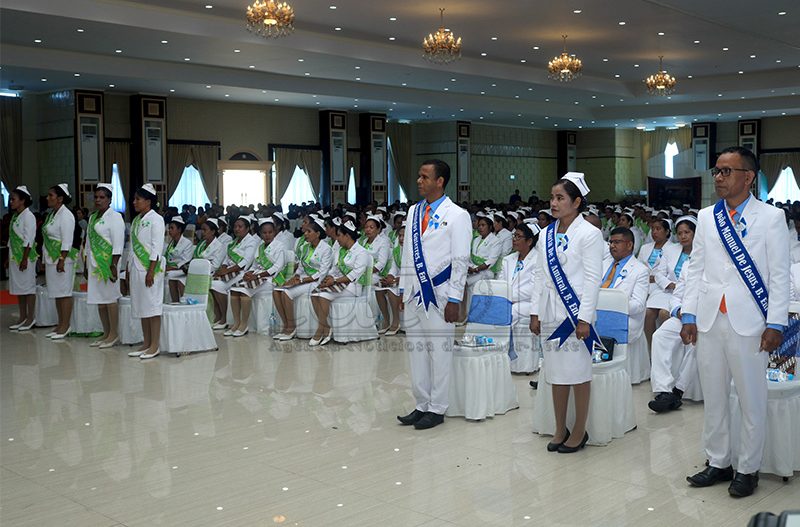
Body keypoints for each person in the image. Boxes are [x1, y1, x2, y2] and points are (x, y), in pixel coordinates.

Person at [682, 146, 790, 498]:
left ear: (749, 177)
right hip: (711, 320)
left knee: (751, 399)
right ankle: (718, 462)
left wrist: (776, 323)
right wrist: (688, 313)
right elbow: (695, 270)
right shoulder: (707, 217)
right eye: (716, 170)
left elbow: (778, 276)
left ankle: (748, 468)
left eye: (727, 171)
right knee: (713, 397)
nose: (719, 177)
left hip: (752, 324)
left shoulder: (771, 218)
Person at [530, 172, 604, 453]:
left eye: (560, 198)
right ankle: (560, 427)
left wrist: (584, 317)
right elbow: (539, 275)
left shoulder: (589, 234)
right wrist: (535, 312)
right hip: (550, 313)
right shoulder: (546, 233)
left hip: (575, 316)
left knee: (578, 373)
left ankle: (579, 430)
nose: (554, 203)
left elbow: (592, 278)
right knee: (555, 373)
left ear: (577, 202)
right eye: (552, 197)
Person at [397, 159, 471, 430]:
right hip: (414, 294)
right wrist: (402, 289)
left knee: (439, 352)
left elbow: (461, 260)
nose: (419, 181)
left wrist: (455, 299)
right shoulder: (414, 212)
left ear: (440, 181)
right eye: (418, 176)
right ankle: (421, 403)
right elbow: (407, 253)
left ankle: (438, 408)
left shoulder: (458, 215)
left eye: (424, 177)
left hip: (440, 295)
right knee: (417, 352)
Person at [310, 219, 370, 346]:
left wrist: (334, 281)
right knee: (314, 294)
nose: (337, 239)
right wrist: (329, 278)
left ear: (347, 236)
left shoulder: (361, 252)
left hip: (353, 286)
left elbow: (354, 275)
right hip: (338, 283)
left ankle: (320, 330)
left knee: (323, 295)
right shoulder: (340, 250)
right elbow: (334, 269)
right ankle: (326, 327)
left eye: (339, 235)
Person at [601, 227, 650, 382]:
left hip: (623, 315)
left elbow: (638, 305)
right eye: (611, 242)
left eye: (617, 242)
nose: (612, 246)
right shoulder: (601, 264)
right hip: (596, 310)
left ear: (629, 245)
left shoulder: (640, 270)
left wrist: (612, 305)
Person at [272, 218, 333, 340]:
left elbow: (322, 272)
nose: (305, 233)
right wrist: (295, 277)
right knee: (276, 291)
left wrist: (301, 281)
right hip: (304, 279)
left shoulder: (326, 249)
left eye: (309, 231)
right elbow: (300, 267)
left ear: (318, 234)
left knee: (287, 293)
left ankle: (291, 328)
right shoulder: (305, 247)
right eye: (306, 232)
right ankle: (286, 325)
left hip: (317, 281)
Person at [648, 271, 700, 413]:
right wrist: (679, 312)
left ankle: (678, 391)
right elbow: (676, 297)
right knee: (659, 336)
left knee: (695, 343)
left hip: (706, 319)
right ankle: (664, 391)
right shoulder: (687, 266)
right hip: (683, 317)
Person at [229, 218, 289, 337]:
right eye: (264, 233)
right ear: (260, 234)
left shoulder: (280, 246)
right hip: (257, 275)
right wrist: (249, 273)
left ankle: (244, 325)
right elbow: (255, 264)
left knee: (244, 290)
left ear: (274, 232)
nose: (267, 235)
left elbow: (276, 268)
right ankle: (236, 323)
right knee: (234, 290)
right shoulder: (260, 246)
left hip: (271, 278)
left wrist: (257, 275)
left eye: (270, 232)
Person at [127, 184, 165, 360]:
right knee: (142, 306)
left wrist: (151, 271)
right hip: (136, 267)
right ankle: (146, 342)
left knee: (152, 306)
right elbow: (132, 248)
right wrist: (128, 269)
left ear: (148, 201)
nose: (134, 202)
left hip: (151, 269)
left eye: (138, 199)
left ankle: (154, 345)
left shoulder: (156, 219)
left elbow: (157, 247)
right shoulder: (136, 220)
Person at [85, 183, 125, 348]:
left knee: (110, 299)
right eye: (96, 197)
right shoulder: (93, 217)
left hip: (108, 264)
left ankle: (114, 334)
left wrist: (114, 265)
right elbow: (88, 242)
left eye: (102, 197)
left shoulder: (115, 217)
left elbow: (118, 243)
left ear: (109, 199)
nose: (98, 200)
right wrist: (87, 265)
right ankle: (106, 332)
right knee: (100, 300)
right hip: (94, 264)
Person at [501, 219, 540, 374]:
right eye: (513, 236)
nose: (514, 239)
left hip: (530, 303)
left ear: (529, 241)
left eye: (518, 236)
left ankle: (520, 363)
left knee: (510, 312)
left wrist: (508, 296)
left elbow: (534, 289)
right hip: (509, 300)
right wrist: (504, 297)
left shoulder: (538, 259)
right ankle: (501, 360)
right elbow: (501, 282)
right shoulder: (508, 259)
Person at [43, 184, 78, 339]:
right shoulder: (52, 214)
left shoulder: (66, 215)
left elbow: (67, 240)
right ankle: (60, 324)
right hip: (52, 258)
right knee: (57, 293)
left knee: (64, 293)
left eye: (51, 195)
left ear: (60, 198)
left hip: (63, 260)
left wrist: (62, 259)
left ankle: (66, 325)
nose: (48, 198)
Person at [211, 216, 258, 332]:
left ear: (247, 229)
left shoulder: (252, 242)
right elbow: (226, 260)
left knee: (224, 287)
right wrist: (223, 267)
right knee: (213, 285)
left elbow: (245, 262)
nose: (237, 229)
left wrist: (226, 271)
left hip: (241, 273)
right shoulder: (233, 242)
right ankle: (222, 317)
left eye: (240, 227)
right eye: (235, 226)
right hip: (229, 273)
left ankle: (230, 320)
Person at [639, 218, 677, 350]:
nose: (654, 232)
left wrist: (655, 278)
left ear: (667, 232)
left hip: (662, 287)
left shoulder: (673, 249)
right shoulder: (645, 248)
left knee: (662, 313)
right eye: (653, 229)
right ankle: (649, 347)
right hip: (645, 284)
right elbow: (639, 267)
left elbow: (665, 274)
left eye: (658, 229)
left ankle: (664, 347)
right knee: (648, 313)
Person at [7, 186, 38, 331]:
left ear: (22, 201)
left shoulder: (29, 216)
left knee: (28, 288)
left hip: (25, 259)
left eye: (13, 199)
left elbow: (29, 239)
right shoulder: (15, 217)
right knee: (19, 288)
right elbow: (11, 239)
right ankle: (22, 316)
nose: (11, 202)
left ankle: (30, 318)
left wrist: (24, 258)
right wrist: (9, 257)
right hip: (15, 257)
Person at [461, 215, 501, 323]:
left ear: (490, 227)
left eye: (483, 225)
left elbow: (490, 261)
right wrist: (470, 267)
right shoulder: (476, 239)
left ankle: (468, 316)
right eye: (479, 225)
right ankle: (468, 315)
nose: (480, 228)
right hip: (474, 270)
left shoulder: (495, 241)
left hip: (487, 271)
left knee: (467, 283)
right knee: (469, 288)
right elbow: (470, 256)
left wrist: (476, 269)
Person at [360, 214, 392, 332]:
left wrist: (366, 272)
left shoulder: (383, 242)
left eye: (371, 227)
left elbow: (381, 263)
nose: (368, 230)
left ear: (378, 229)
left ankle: (376, 321)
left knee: (368, 282)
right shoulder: (363, 241)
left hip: (377, 274)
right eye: (366, 227)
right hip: (362, 272)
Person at [376, 221, 404, 335]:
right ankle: (386, 321)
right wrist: (389, 276)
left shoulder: (414, 251)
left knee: (392, 290)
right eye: (400, 236)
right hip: (398, 278)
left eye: (404, 236)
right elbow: (393, 267)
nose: (401, 239)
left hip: (410, 280)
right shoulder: (397, 250)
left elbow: (413, 272)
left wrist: (396, 280)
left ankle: (396, 322)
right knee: (379, 289)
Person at [164, 216, 195, 302]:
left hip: (181, 270)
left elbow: (185, 261)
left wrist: (170, 268)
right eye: (169, 228)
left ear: (179, 230)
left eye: (172, 228)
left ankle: (176, 301)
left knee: (170, 276)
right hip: (170, 269)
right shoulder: (170, 243)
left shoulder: (187, 243)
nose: (169, 230)